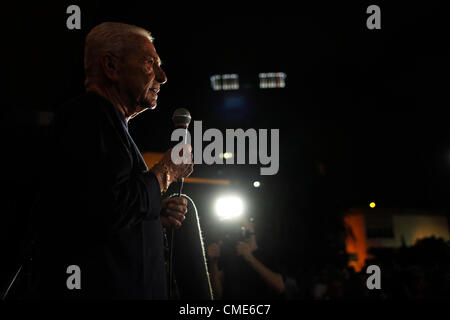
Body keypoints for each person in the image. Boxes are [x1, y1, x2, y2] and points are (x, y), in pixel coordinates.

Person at [29, 22, 193, 299]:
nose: (162, 76)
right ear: (111, 67)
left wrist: (150, 215)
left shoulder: (107, 123)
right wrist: (166, 172)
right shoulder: (89, 116)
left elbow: (95, 207)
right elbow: (110, 206)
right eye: (150, 63)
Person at [206, 219, 286, 299]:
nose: (239, 225)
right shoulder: (228, 254)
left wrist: (250, 258)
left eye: (242, 220)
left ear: (252, 224)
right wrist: (213, 263)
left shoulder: (266, 253)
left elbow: (279, 286)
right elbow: (216, 295)